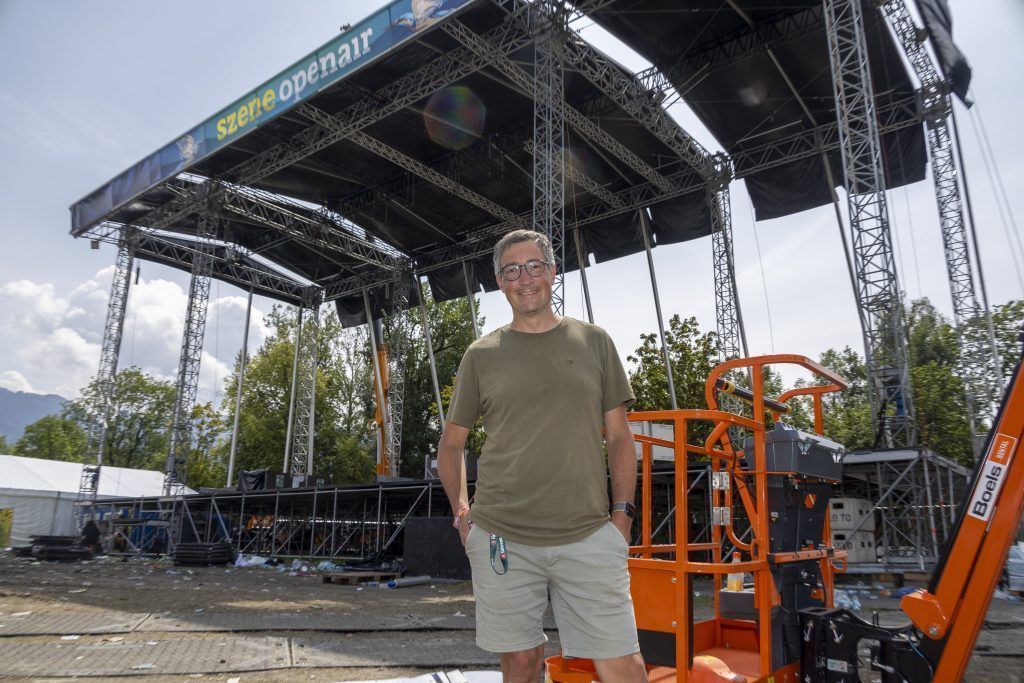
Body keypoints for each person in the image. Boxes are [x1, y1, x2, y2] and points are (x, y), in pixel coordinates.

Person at [438, 229, 647, 683]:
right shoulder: (480, 355)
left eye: (534, 266)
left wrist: (622, 516)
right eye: (512, 270)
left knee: (623, 665)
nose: (525, 279)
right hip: (501, 537)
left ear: (553, 272)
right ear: (500, 282)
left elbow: (620, 437)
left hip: (588, 533)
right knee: (521, 661)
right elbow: (451, 444)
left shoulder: (595, 342)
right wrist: (463, 514)